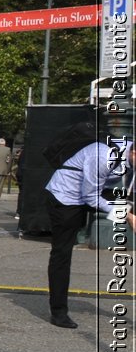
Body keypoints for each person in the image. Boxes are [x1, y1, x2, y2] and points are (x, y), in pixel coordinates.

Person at [44, 134, 134, 328]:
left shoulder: (127, 147)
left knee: (127, 207)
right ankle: (58, 312)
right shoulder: (103, 157)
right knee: (62, 253)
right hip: (65, 198)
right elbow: (91, 198)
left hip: (94, 188)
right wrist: (128, 216)